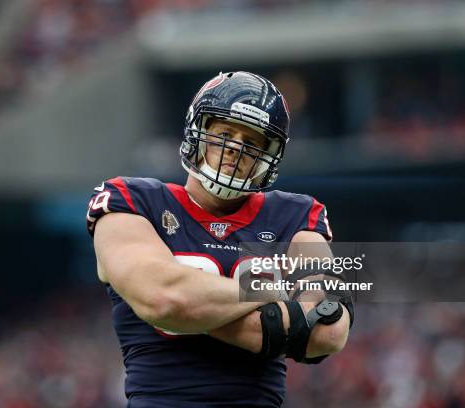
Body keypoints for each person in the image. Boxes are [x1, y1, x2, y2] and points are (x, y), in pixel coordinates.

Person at [87, 71, 353, 408]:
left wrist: (195, 309)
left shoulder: (296, 215)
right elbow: (164, 300)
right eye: (225, 133)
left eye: (253, 143)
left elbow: (328, 329)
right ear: (198, 132)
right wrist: (274, 288)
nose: (236, 150)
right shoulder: (130, 200)